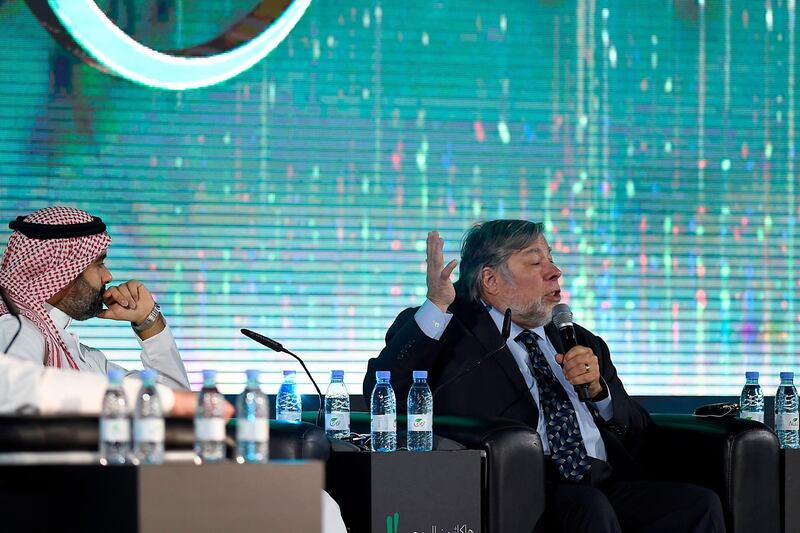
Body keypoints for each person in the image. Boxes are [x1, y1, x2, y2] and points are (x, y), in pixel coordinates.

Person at [364, 219, 725, 533]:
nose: (555, 271)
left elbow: (640, 433)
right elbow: (384, 390)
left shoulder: (581, 340)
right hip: (520, 484)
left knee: (697, 505)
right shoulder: (451, 332)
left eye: (551, 258)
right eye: (536, 262)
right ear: (490, 280)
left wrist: (601, 394)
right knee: (588, 508)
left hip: (601, 477)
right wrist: (438, 305)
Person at [0, 206, 189, 389]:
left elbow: (172, 399)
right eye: (99, 264)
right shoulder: (16, 329)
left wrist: (148, 320)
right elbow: (14, 396)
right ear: (61, 271)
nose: (108, 276)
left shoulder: (86, 358)